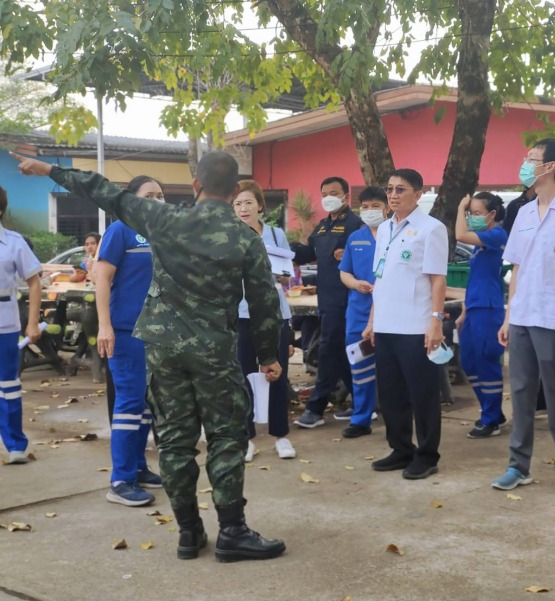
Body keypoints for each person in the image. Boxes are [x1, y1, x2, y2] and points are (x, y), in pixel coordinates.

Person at [14, 150, 286, 563]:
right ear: (234, 192)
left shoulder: (163, 219)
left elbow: (105, 192)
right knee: (226, 439)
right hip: (215, 351)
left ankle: (189, 534)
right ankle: (232, 531)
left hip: (162, 349)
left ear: (195, 186)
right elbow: (265, 303)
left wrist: (49, 169)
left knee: (174, 441)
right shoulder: (245, 237)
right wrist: (268, 355)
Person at [492, 138, 555, 493]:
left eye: (531, 158)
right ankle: (518, 465)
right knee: (520, 391)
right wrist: (508, 316)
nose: (524, 163)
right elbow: (516, 268)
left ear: (550, 166)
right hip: (522, 314)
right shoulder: (522, 211)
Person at [364, 168, 448, 480]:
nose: (394, 195)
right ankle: (400, 448)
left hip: (416, 325)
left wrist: (435, 321)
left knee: (422, 393)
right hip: (387, 324)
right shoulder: (384, 228)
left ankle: (427, 455)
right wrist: (373, 320)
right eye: (389, 189)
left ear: (418, 193)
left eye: (401, 189)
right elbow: (380, 277)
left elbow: (438, 279)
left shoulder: (431, 228)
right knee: (391, 393)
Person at [94, 176, 165, 507]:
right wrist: (104, 325)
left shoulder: (162, 233)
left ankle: (138, 467)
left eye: (160, 195)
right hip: (125, 330)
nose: (156, 199)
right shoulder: (120, 229)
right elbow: (102, 278)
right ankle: (120, 479)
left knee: (146, 403)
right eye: (149, 194)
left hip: (157, 332)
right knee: (128, 402)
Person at [232, 180, 296, 461]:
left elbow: (287, 277)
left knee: (277, 374)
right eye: (237, 204)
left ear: (259, 205)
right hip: (242, 315)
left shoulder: (276, 234)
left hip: (274, 314)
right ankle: (247, 438)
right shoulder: (230, 236)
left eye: (248, 202)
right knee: (243, 375)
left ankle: (281, 436)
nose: (243, 208)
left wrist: (274, 272)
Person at [292, 177, 363, 428]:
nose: (328, 197)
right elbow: (306, 253)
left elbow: (366, 259)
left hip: (347, 299)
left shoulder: (356, 225)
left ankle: (315, 408)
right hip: (326, 298)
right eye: (324, 193)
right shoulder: (322, 227)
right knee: (340, 352)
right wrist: (281, 248)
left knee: (327, 350)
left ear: (345, 196)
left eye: (334, 192)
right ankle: (363, 402)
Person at [454, 192, 508, 438]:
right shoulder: (480, 244)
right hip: (474, 307)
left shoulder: (496, 235)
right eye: (470, 213)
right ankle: (491, 410)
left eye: (476, 213)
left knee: (487, 361)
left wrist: (460, 209)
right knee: (469, 361)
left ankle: (492, 418)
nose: (471, 217)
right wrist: (464, 310)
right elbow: (474, 279)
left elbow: (460, 235)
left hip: (488, 307)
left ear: (492, 215)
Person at [337, 186, 389, 438]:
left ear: (386, 208)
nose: (369, 211)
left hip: (391, 313)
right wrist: (355, 283)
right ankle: (361, 419)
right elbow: (344, 272)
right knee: (360, 368)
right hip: (358, 313)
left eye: (375, 206)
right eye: (365, 207)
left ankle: (398, 417)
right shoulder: (355, 238)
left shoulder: (395, 235)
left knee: (393, 369)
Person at [0, 185, 42, 465]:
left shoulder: (14, 242)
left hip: (5, 322)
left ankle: (15, 445)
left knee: (9, 385)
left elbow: (34, 280)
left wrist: (33, 322)